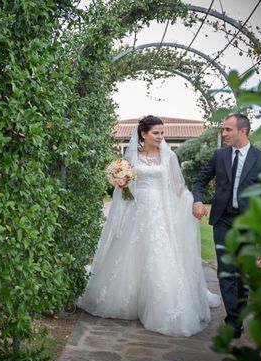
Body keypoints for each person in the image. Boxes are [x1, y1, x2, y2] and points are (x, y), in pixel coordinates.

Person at [78, 115, 221, 337]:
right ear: (143, 134)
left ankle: (161, 303)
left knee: (161, 254)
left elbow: (177, 186)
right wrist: (122, 183)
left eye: (162, 133)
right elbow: (124, 190)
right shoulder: (131, 158)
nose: (160, 137)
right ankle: (128, 301)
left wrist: (192, 201)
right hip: (137, 211)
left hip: (161, 213)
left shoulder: (170, 156)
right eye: (156, 133)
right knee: (130, 254)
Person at [192, 113, 261, 339]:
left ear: (243, 131)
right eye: (223, 129)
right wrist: (198, 199)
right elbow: (200, 180)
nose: (224, 134)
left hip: (249, 222)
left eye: (228, 130)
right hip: (223, 220)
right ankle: (233, 321)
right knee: (226, 270)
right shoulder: (219, 155)